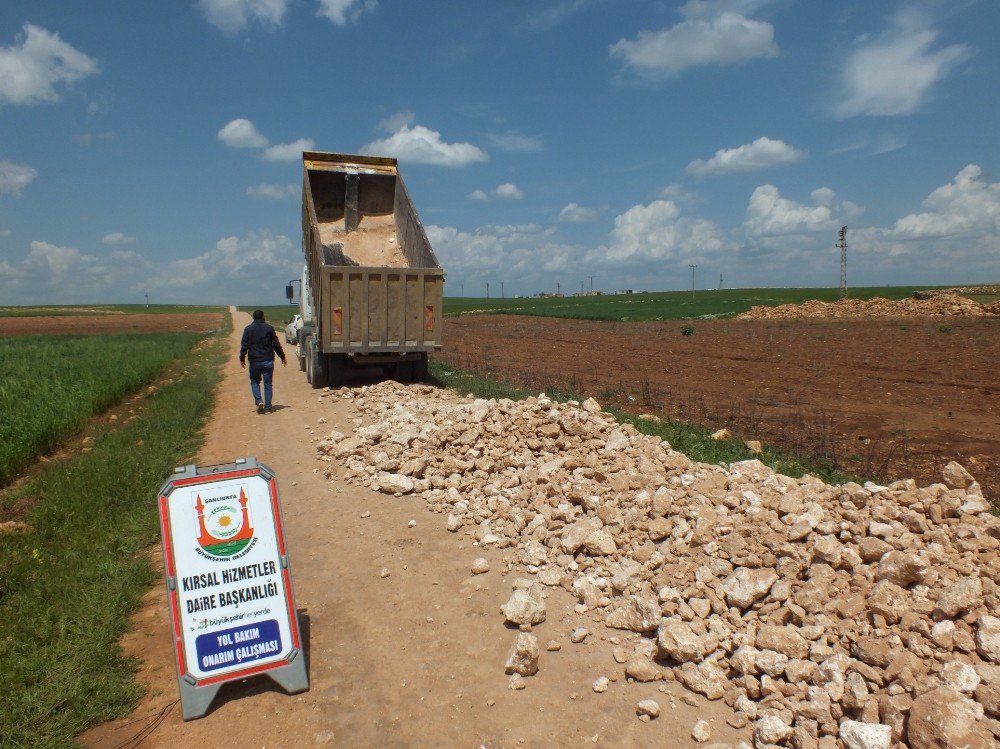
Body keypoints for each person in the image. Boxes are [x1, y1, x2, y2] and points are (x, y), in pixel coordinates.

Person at [239, 309, 287, 413]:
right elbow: (276, 344)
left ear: (253, 317)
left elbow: (244, 345)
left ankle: (259, 400)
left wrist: (242, 358)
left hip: (255, 361)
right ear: (263, 317)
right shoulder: (269, 328)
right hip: (268, 360)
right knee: (268, 383)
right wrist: (282, 356)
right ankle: (269, 407)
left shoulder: (248, 329)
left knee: (255, 381)